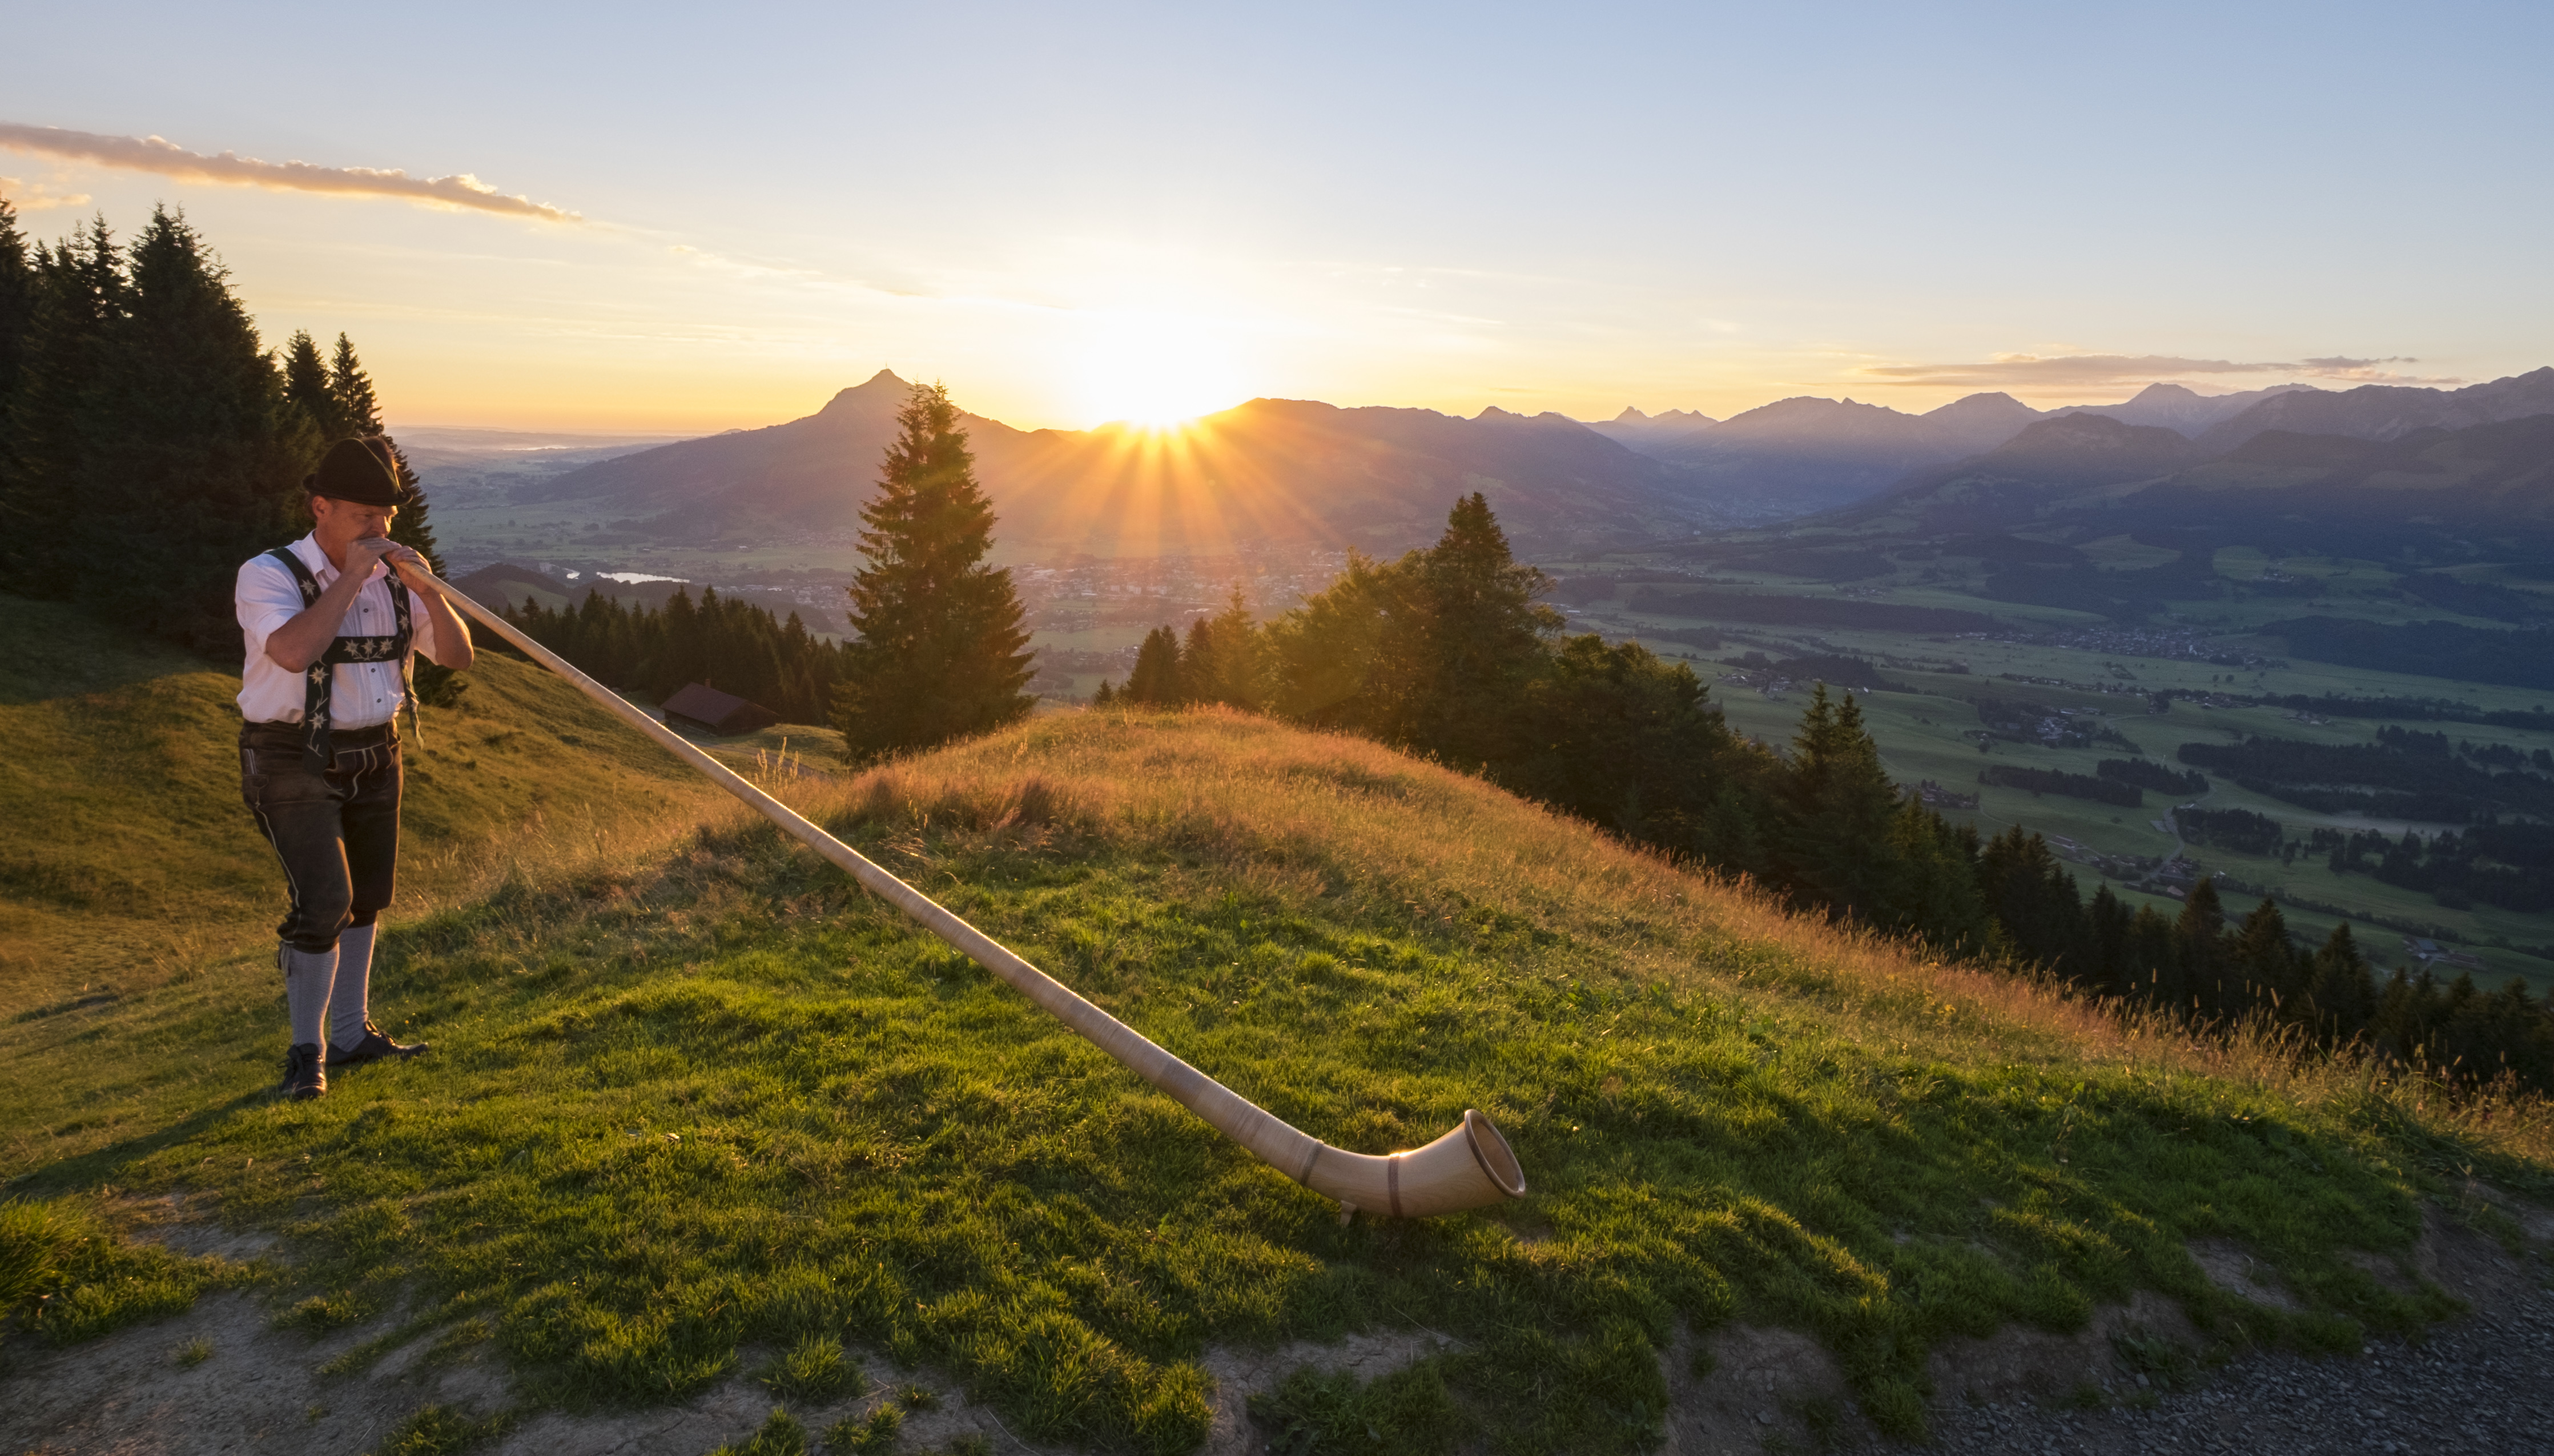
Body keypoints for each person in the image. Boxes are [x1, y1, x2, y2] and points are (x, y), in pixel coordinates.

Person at [235, 437, 474, 1100]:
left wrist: (429, 591)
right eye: (362, 516)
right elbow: (289, 652)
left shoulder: (397, 584)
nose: (379, 531)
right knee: (326, 901)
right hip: (290, 755)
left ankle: (350, 1035)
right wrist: (349, 577)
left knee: (368, 898)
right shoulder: (269, 573)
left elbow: (457, 658)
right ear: (320, 509)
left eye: (386, 519)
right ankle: (304, 1056)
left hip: (378, 749)